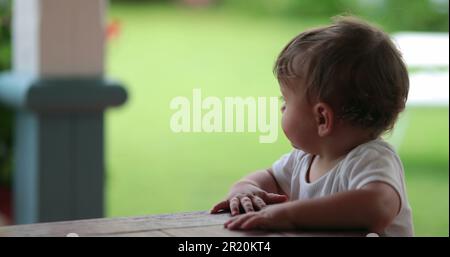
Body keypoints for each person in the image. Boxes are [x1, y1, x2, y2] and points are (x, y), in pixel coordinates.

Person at [210, 16, 413, 236]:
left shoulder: (370, 159)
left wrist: (289, 214)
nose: (281, 110)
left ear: (322, 119)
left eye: (285, 102)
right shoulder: (304, 159)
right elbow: (270, 178)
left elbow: (377, 207)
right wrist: (246, 187)